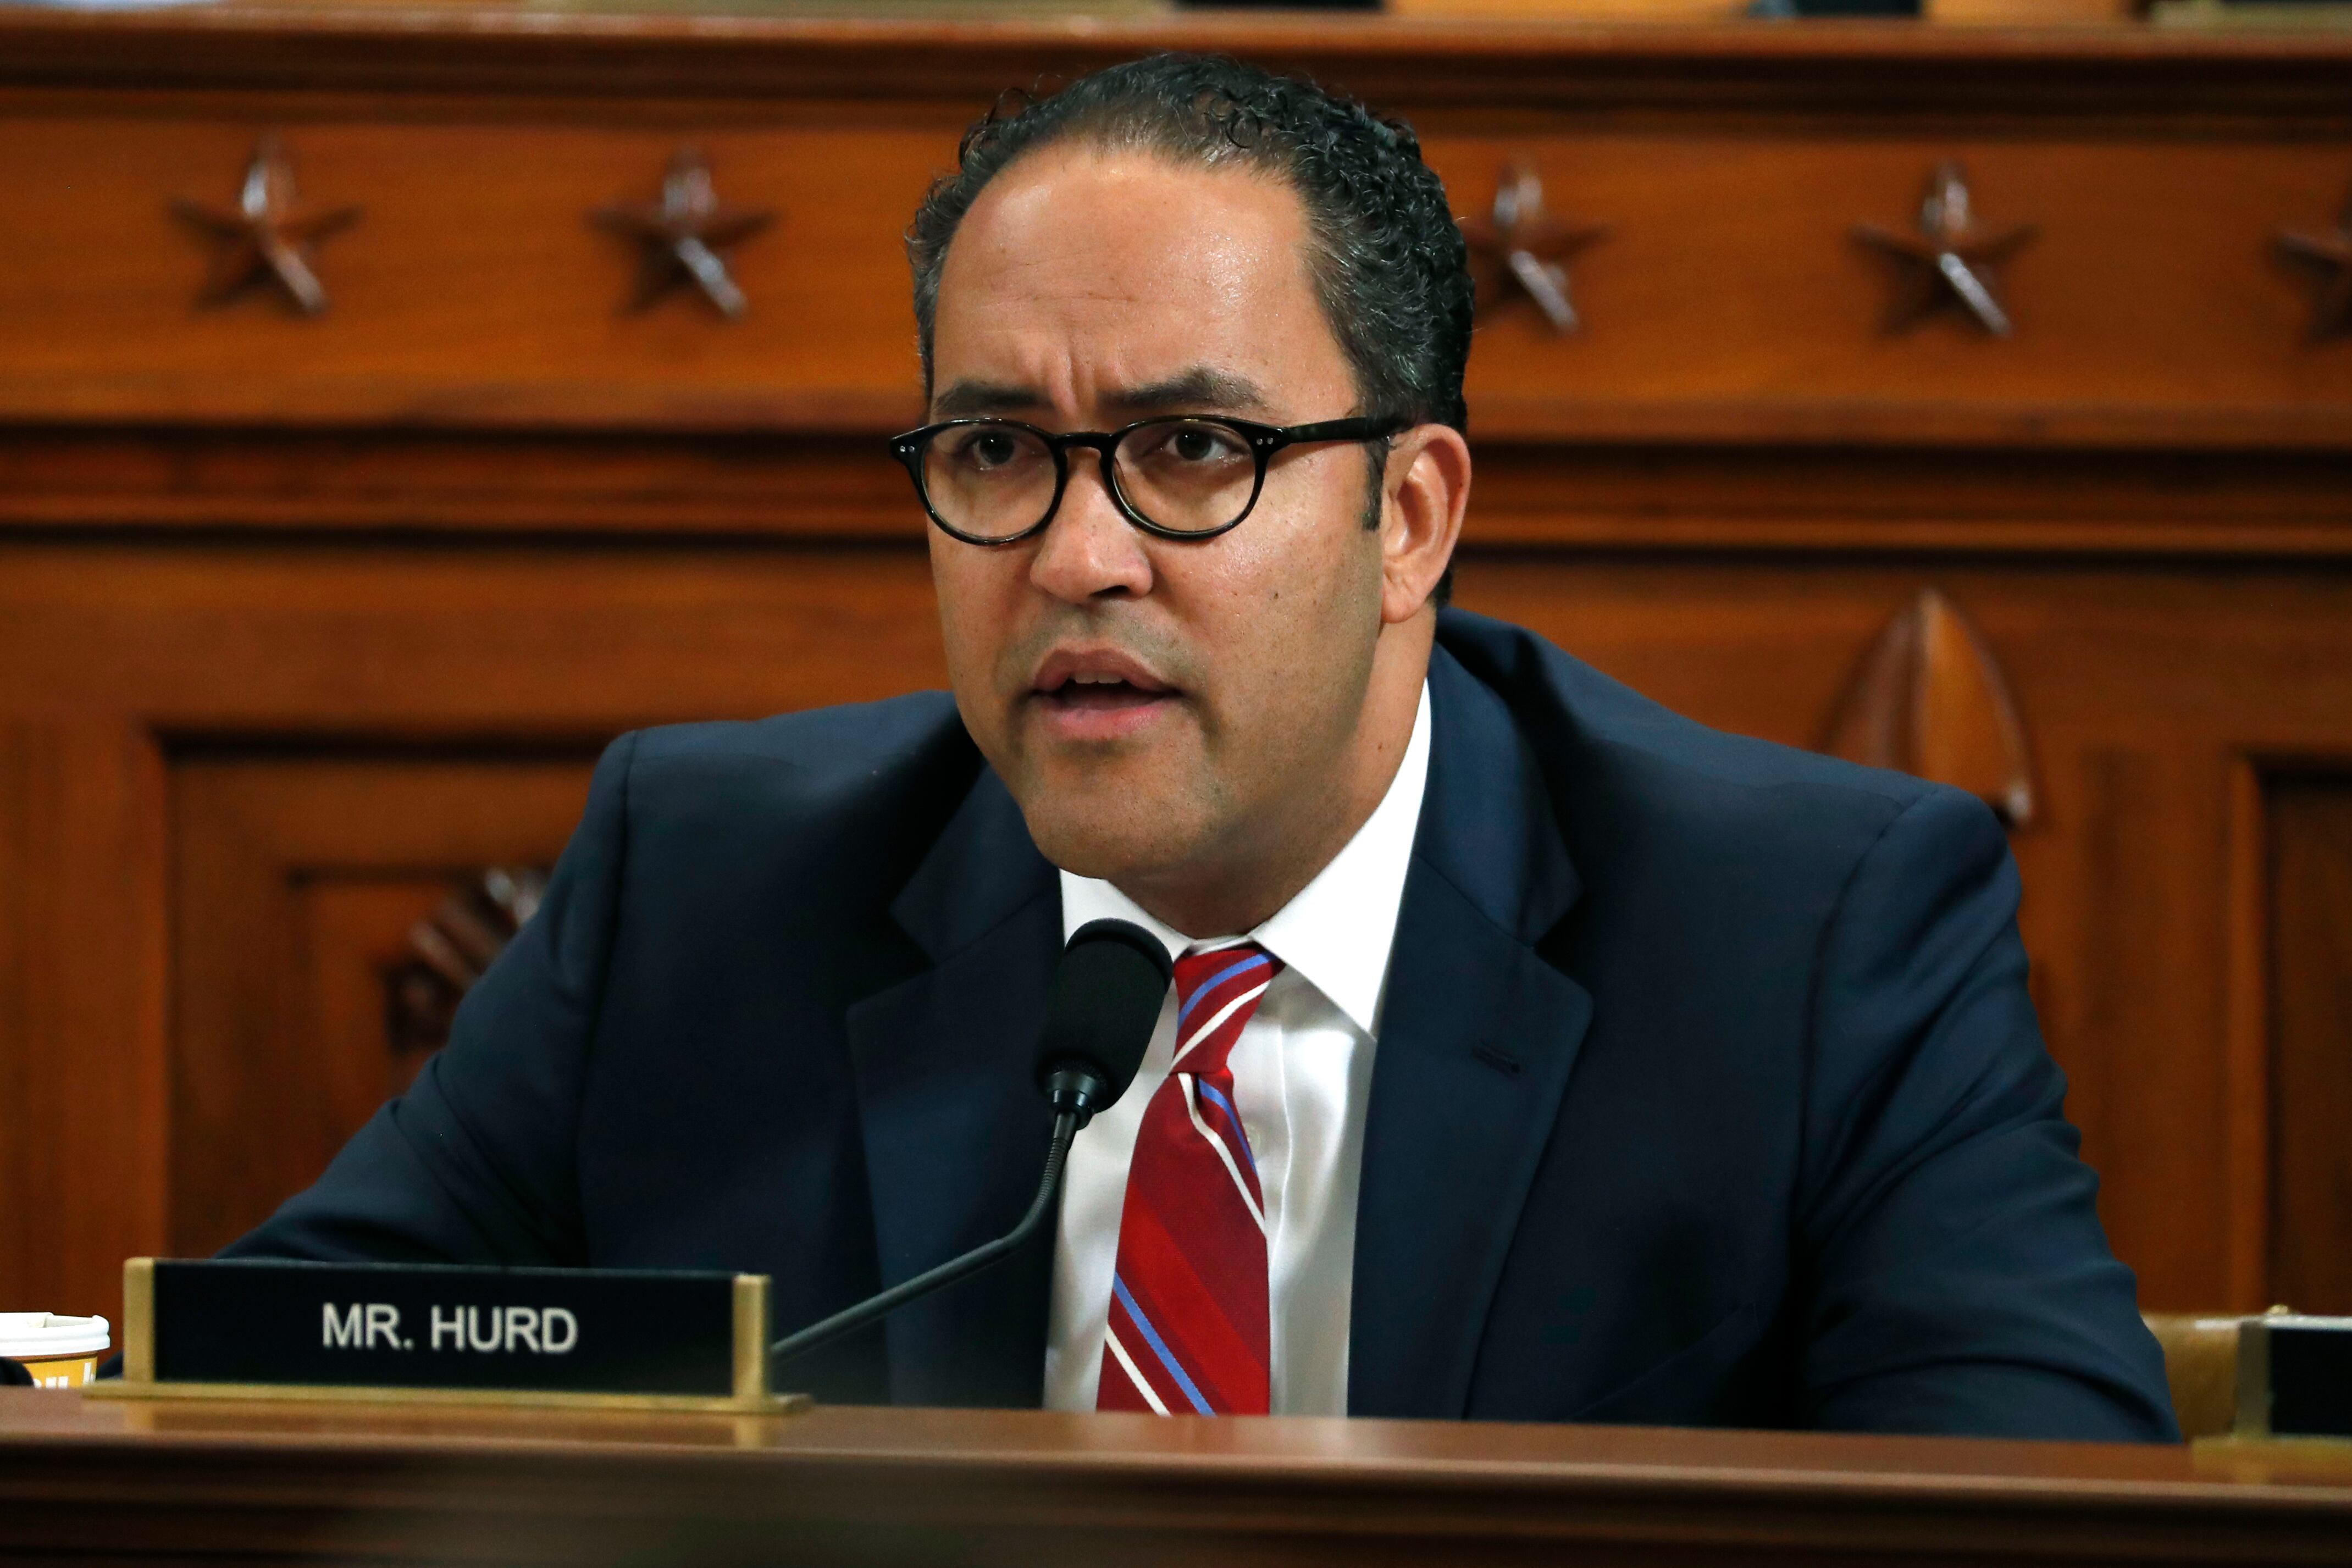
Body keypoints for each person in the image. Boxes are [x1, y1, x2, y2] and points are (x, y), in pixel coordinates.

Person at [229, 54, 2178, 1438]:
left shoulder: (1808, 936)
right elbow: (266, 1389)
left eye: (1194, 452)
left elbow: (2030, 1504)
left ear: (1407, 517)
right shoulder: (707, 889)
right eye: (996, 450)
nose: (1080, 556)